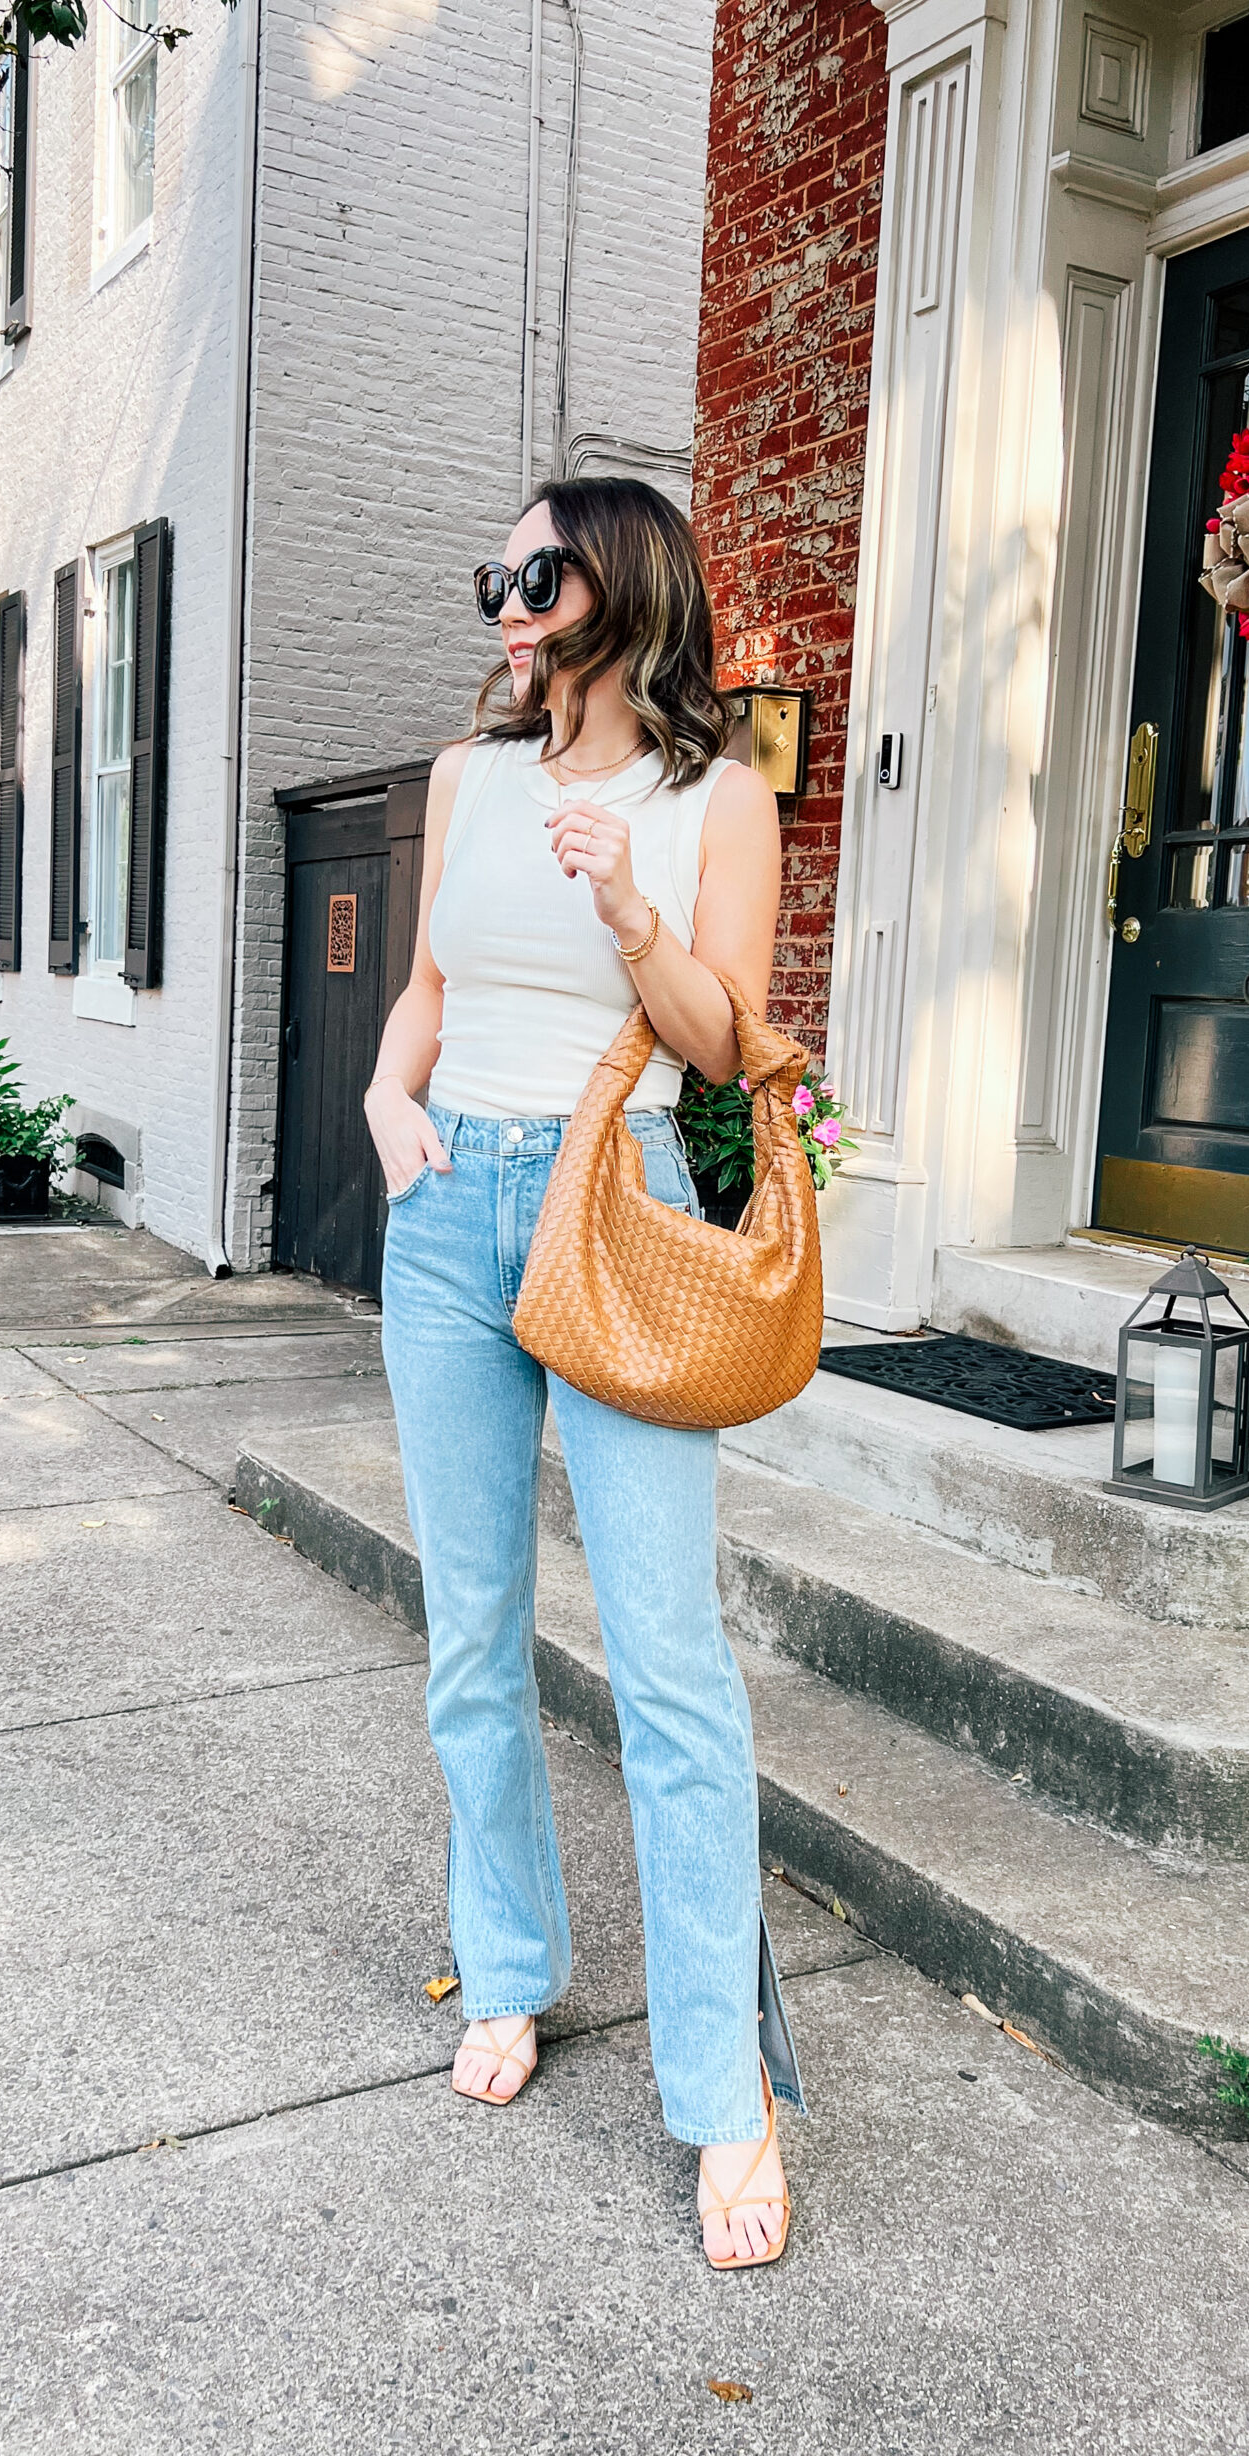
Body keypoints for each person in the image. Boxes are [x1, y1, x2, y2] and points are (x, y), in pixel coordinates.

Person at [363, 477, 803, 2268]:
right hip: (451, 1200)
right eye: (496, 570)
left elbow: (728, 1042)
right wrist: (390, 1105)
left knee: (668, 1664)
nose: (506, 599)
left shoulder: (721, 797)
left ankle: (726, 2091)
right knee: (471, 1632)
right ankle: (513, 1966)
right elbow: (429, 991)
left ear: (616, 586)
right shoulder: (469, 779)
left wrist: (632, 904)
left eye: (533, 570)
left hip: (621, 1199)